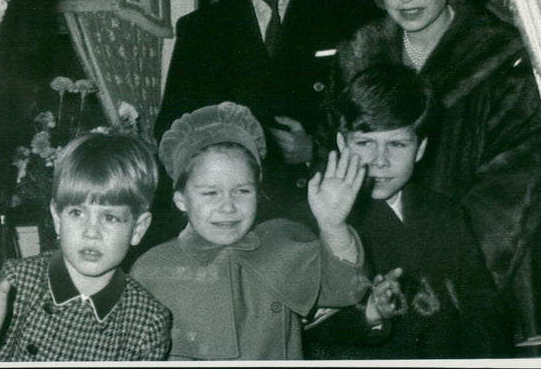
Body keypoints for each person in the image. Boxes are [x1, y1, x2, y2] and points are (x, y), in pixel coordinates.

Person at [331, 0, 541, 340]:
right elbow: (337, 165)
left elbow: (513, 192)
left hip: (474, 269)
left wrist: (436, 270)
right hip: (371, 267)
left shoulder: (505, 58)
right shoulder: (357, 53)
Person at [154, 0, 381, 227]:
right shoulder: (200, 27)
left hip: (322, 205)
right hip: (233, 214)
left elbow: (377, 121)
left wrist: (315, 151)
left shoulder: (352, 14)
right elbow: (171, 129)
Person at [304, 63, 513, 359]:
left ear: (421, 148)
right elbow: (301, 328)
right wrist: (370, 315)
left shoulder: (446, 213)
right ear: (342, 143)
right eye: (365, 143)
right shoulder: (317, 217)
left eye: (398, 144)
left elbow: (483, 309)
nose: (380, 161)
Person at [132, 101, 370, 360]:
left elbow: (349, 290)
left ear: (258, 194)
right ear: (181, 200)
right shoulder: (152, 269)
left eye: (242, 191)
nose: (228, 207)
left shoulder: (284, 241)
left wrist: (333, 225)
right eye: (210, 193)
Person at [0, 133, 171, 361]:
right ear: (56, 218)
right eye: (77, 213)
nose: (91, 232)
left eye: (109, 217)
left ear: (138, 229)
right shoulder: (15, 282)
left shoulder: (147, 322)